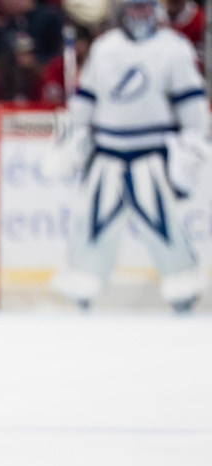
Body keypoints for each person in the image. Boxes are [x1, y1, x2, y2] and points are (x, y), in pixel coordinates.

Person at [47, 0, 210, 312]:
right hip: (107, 152)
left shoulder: (173, 49)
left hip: (151, 152)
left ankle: (182, 284)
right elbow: (88, 97)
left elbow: (191, 101)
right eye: (134, 9)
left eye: (145, 8)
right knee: (95, 222)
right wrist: (77, 131)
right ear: (122, 13)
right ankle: (83, 282)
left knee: (161, 223)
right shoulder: (106, 48)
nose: (140, 16)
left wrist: (193, 139)